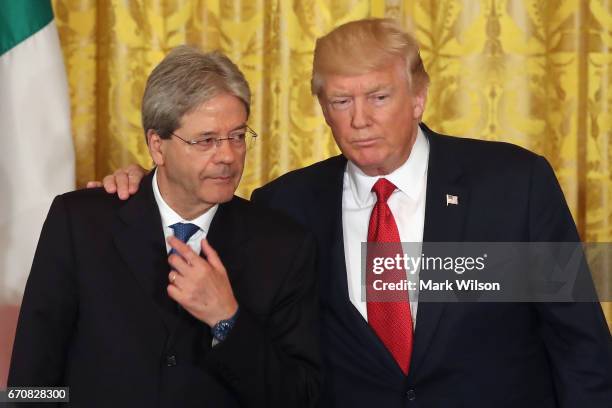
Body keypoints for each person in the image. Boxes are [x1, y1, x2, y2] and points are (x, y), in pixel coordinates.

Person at [93, 19, 612, 407]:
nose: (359, 120)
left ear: (418, 98)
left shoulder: (514, 184)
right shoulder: (285, 204)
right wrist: (145, 183)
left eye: (379, 97)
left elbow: (581, 346)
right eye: (340, 102)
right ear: (322, 109)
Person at [8, 46, 320, 407]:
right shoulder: (79, 223)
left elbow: (300, 396)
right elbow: (30, 382)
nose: (228, 156)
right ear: (158, 146)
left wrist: (227, 320)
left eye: (237, 136)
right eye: (206, 140)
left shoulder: (283, 246)